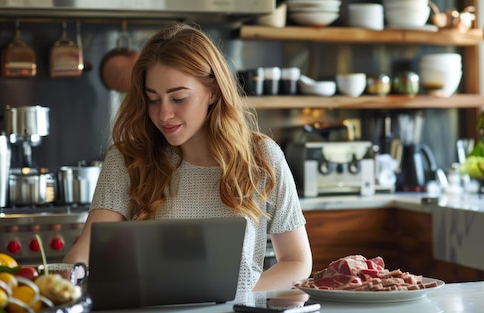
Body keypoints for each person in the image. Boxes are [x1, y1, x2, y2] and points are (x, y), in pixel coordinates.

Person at [63, 22, 313, 295]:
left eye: (178, 99)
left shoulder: (262, 158)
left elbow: (296, 261)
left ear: (213, 92)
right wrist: (68, 278)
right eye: (153, 99)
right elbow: (87, 249)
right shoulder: (126, 159)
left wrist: (239, 296)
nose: (164, 114)